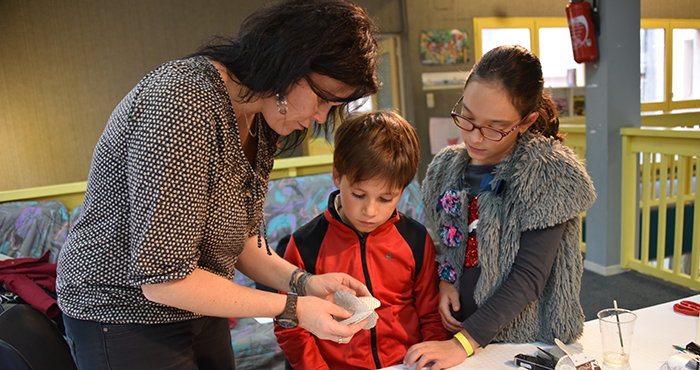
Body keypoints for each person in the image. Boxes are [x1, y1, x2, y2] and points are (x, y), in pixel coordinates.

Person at [55, 1, 380, 369]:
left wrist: (304, 283)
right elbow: (164, 278)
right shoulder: (183, 101)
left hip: (198, 299)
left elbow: (238, 240)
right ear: (289, 62)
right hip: (122, 313)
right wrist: (294, 308)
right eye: (322, 98)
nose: (321, 116)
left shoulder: (259, 117)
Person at [403, 45, 596, 370]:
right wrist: (447, 280)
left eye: (494, 127)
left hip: (524, 340)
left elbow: (530, 276)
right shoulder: (447, 167)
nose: (475, 137)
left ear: (526, 121)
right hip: (464, 333)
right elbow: (448, 239)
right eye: (467, 116)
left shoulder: (545, 170)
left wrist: (463, 343)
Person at [275, 111, 450, 369]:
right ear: (337, 175)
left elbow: (431, 316)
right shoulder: (305, 245)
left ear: (403, 188)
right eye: (358, 194)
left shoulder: (415, 239)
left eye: (386, 199)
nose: (370, 211)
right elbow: (290, 326)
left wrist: (431, 361)